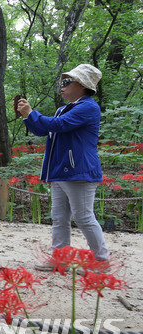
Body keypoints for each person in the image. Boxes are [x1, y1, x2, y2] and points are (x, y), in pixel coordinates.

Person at [17, 63, 109, 270]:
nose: (62, 85)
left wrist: (33, 113)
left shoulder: (88, 107)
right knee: (59, 218)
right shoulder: (63, 109)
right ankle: (60, 259)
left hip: (79, 171)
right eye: (62, 82)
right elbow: (43, 129)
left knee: (84, 217)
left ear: (83, 85)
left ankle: (101, 261)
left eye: (67, 82)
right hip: (59, 171)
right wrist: (27, 115)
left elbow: (58, 125)